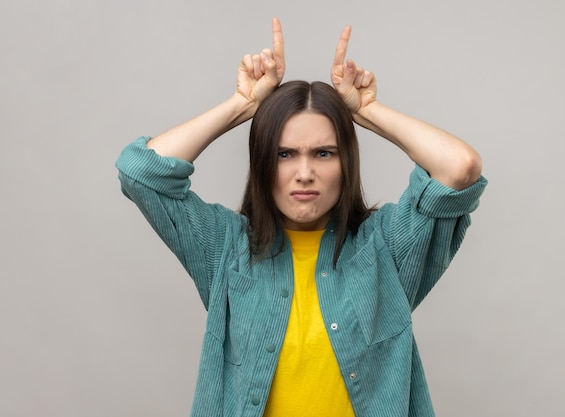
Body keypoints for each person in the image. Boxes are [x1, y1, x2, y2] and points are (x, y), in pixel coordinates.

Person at [116, 17, 487, 417]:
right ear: (262, 163)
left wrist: (368, 111)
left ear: (346, 163)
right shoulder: (226, 248)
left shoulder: (386, 249)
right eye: (285, 153)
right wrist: (243, 105)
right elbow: (140, 171)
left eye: (323, 153)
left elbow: (460, 167)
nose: (304, 172)